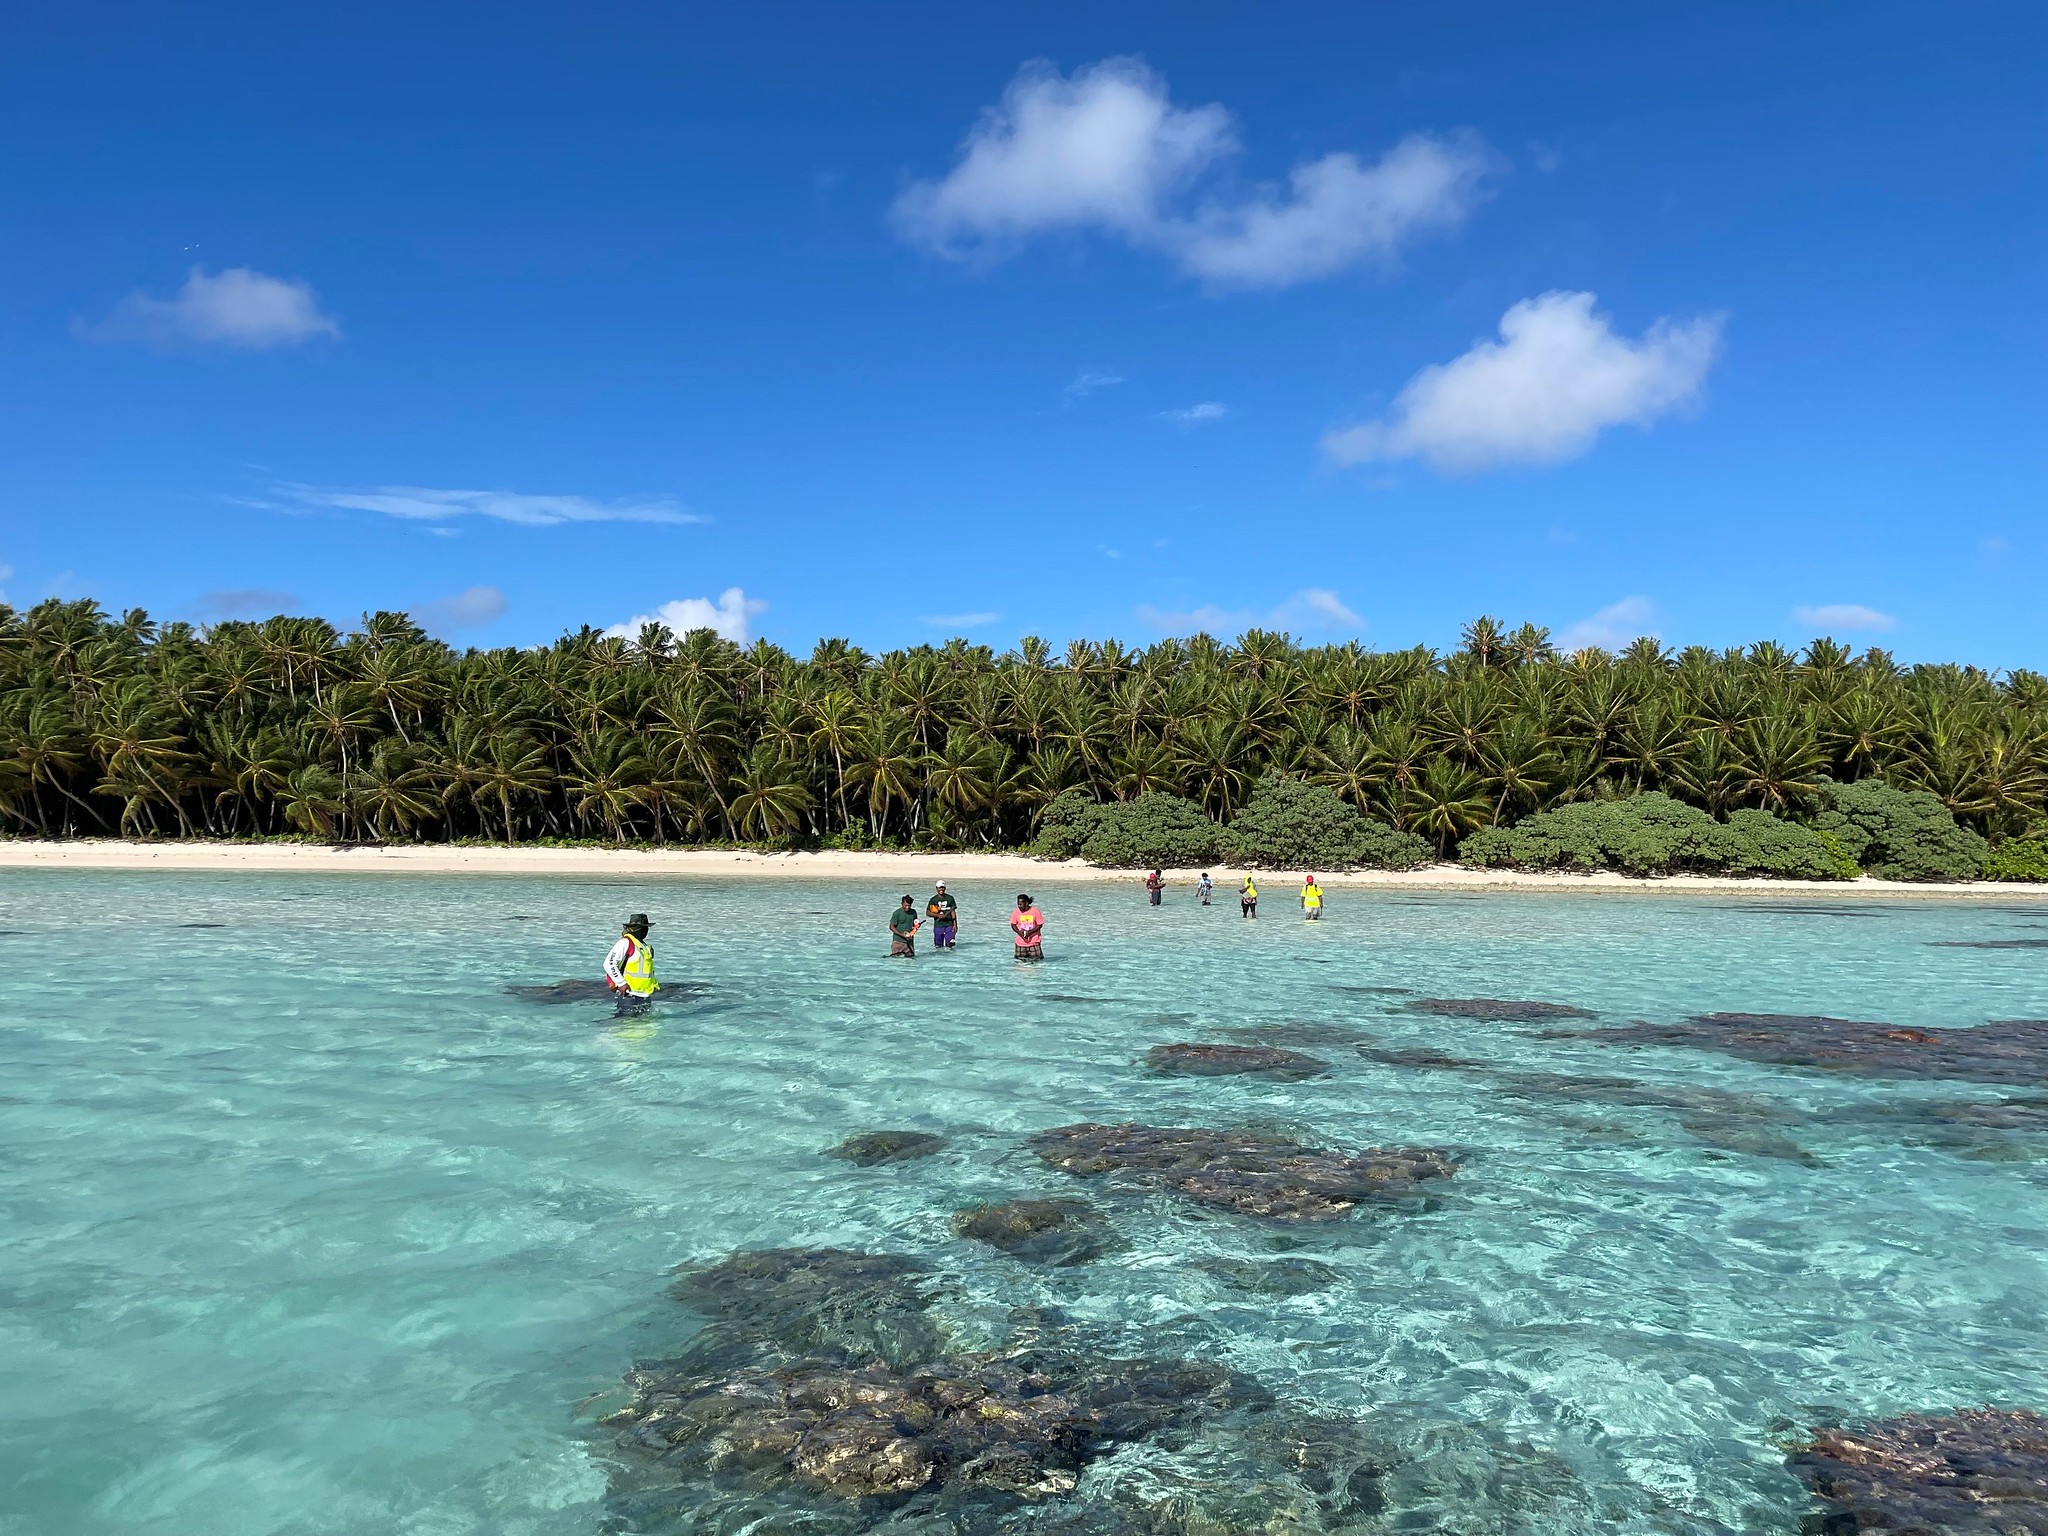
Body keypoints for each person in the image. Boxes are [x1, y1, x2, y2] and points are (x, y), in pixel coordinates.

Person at [604, 913, 659, 1011]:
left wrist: (654, 985)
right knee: (627, 1025)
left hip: (644, 995)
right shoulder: (625, 942)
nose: (646, 931)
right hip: (629, 995)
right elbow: (609, 963)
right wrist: (621, 983)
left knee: (645, 1026)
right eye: (645, 928)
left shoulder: (644, 946)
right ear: (640, 929)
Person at [1010, 893, 1045, 960]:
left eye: (1021, 904)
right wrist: (1020, 933)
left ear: (1026, 903)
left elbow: (1039, 925)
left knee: (1037, 962)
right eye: (1018, 904)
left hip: (1034, 943)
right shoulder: (1015, 912)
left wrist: (1029, 933)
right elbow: (1013, 925)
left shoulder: (1035, 911)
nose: (1019, 906)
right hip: (1020, 944)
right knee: (1020, 964)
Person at [926, 881, 959, 949]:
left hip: (949, 924)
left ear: (945, 888)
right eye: (939, 888)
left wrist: (955, 924)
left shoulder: (950, 898)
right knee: (938, 946)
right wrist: (938, 916)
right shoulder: (933, 900)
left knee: (950, 944)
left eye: (943, 887)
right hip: (938, 925)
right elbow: (928, 913)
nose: (941, 889)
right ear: (936, 888)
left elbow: (953, 911)